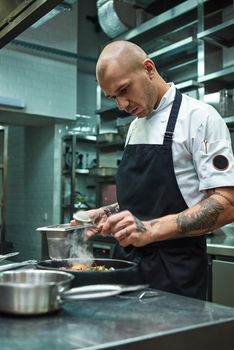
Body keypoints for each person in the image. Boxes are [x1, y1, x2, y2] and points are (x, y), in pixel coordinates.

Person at [72, 40, 234, 300]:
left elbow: (227, 203)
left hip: (176, 271)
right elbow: (142, 202)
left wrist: (149, 230)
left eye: (124, 90)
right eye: (114, 97)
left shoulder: (200, 117)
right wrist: (107, 213)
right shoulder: (136, 126)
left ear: (148, 69)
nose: (122, 105)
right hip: (126, 266)